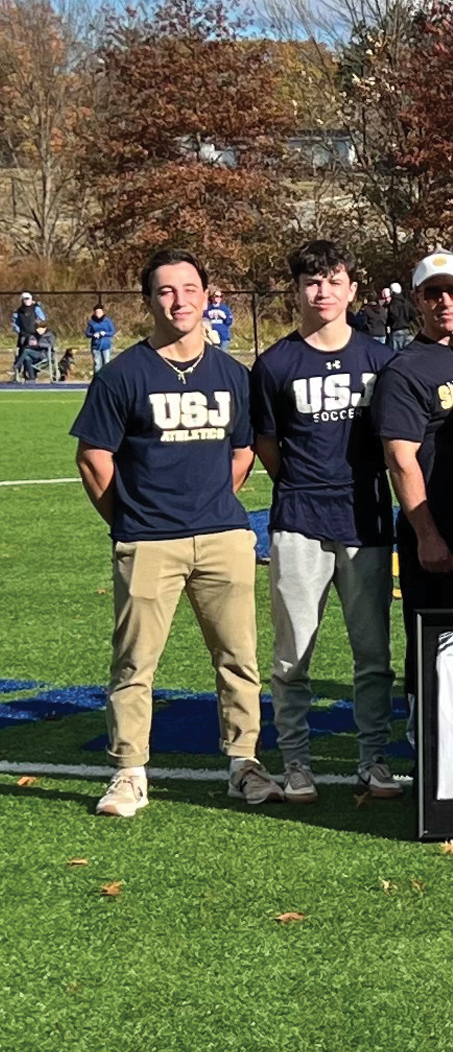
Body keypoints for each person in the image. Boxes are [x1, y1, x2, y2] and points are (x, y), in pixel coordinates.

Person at [72, 249, 282, 817]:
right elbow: (93, 459)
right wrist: (130, 518)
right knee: (134, 663)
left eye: (190, 288)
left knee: (239, 658)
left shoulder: (232, 374)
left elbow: (242, 452)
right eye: (166, 291)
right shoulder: (123, 374)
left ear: (208, 295)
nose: (179, 300)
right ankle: (128, 771)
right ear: (149, 301)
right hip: (148, 540)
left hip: (223, 536)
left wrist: (212, 503)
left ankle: (244, 764)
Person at [250, 240, 400, 802]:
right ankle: (296, 763)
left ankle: (374, 758)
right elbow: (267, 443)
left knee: (372, 653)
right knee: (293, 655)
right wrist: (304, 483)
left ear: (353, 289)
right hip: (299, 519)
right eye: (313, 282)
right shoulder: (275, 364)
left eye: (335, 281)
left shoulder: (380, 359)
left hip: (365, 520)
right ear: (297, 290)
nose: (324, 292)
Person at [372, 248, 453, 721]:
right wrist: (427, 535)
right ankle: (428, 740)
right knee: (435, 643)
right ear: (418, 300)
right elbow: (401, 460)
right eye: (433, 293)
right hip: (440, 528)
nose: (446, 302)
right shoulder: (405, 369)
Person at [14, 292, 50, 382]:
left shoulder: (36, 309)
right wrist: (21, 332)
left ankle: (18, 367)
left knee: (29, 354)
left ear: (31, 299)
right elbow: (15, 324)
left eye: (28, 299)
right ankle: (29, 376)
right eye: (24, 299)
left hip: (34, 336)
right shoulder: (18, 311)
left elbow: (42, 319)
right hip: (23, 337)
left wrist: (38, 329)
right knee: (25, 356)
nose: (26, 301)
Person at [86, 306, 116, 376]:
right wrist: (93, 335)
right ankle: (97, 379)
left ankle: (107, 378)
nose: (98, 314)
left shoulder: (107, 321)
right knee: (97, 364)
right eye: (96, 312)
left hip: (106, 346)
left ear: (102, 312)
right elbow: (87, 333)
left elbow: (112, 332)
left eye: (99, 312)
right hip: (96, 346)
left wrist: (105, 333)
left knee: (106, 362)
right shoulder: (91, 322)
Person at [204, 287, 233, 352]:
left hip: (223, 336)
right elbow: (203, 321)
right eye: (216, 296)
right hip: (211, 337)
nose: (219, 298)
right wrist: (209, 315)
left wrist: (224, 317)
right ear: (212, 297)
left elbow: (229, 321)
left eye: (220, 296)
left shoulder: (224, 308)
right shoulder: (207, 308)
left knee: (223, 356)